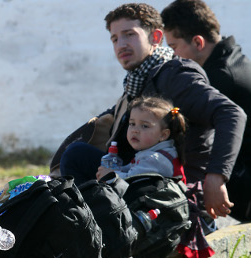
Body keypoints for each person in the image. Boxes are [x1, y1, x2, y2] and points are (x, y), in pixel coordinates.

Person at [55, 3, 246, 226]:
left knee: (77, 156)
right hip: (140, 180)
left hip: (172, 200)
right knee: (77, 155)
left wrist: (216, 177)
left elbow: (231, 112)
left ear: (156, 37)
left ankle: (89, 231)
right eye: (115, 39)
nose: (121, 44)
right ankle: (86, 228)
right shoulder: (138, 82)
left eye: (129, 35)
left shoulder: (176, 76)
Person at [161, 0, 251, 221]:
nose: (173, 56)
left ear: (198, 42)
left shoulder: (220, 78)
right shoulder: (234, 60)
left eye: (173, 47)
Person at [96, 96, 186, 181]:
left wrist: (110, 175)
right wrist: (111, 170)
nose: (135, 130)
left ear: (163, 135)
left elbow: (130, 180)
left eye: (144, 126)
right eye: (132, 124)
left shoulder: (156, 159)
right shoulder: (150, 152)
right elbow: (130, 169)